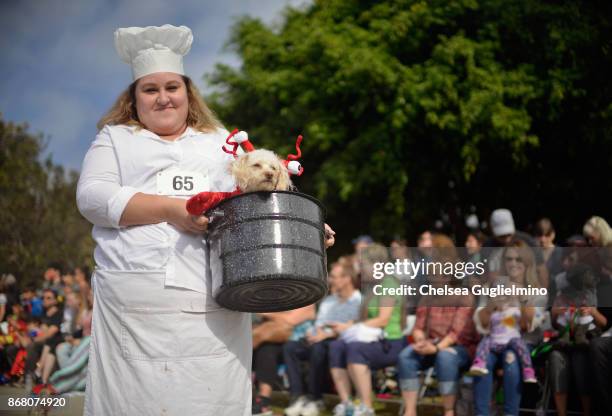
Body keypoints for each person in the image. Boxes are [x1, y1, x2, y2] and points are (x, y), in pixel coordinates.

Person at [76, 25, 335, 416]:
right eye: (151, 89)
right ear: (135, 97)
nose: (163, 98)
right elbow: (92, 198)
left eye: (172, 87)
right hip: (138, 311)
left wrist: (303, 226)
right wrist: (171, 210)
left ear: (188, 92)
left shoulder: (218, 141)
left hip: (216, 301)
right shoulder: (115, 139)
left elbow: (257, 192)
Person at [397, 235, 478, 416]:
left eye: (437, 274)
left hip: (459, 348)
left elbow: (457, 333)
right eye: (431, 274)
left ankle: (448, 410)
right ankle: (410, 410)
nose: (433, 278)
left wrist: (435, 348)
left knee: (445, 357)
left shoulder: (464, 296)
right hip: (432, 345)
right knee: (406, 356)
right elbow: (418, 327)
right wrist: (419, 340)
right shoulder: (427, 297)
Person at [328, 244, 405, 416]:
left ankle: (366, 406)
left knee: (355, 349)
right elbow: (364, 320)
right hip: (372, 339)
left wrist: (352, 327)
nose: (360, 269)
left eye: (363, 264)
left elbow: (383, 319)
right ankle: (346, 403)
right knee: (336, 347)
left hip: (390, 342)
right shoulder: (370, 287)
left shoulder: (389, 283)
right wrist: (345, 326)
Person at [472, 242, 547, 416]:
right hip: (494, 341)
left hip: (522, 344)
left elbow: (530, 325)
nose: (513, 263)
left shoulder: (537, 292)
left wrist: (521, 299)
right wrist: (492, 303)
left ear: (527, 262)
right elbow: (481, 323)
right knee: (481, 363)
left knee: (511, 360)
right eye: (509, 259)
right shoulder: (493, 287)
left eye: (518, 259)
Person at [283, 258, 361, 416]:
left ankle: (315, 398)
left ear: (347, 279)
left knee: (318, 349)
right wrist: (314, 333)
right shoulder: (329, 301)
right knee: (290, 347)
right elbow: (319, 323)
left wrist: (326, 334)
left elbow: (354, 327)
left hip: (340, 341)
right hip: (320, 338)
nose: (330, 279)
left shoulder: (358, 301)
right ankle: (297, 397)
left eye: (334, 276)